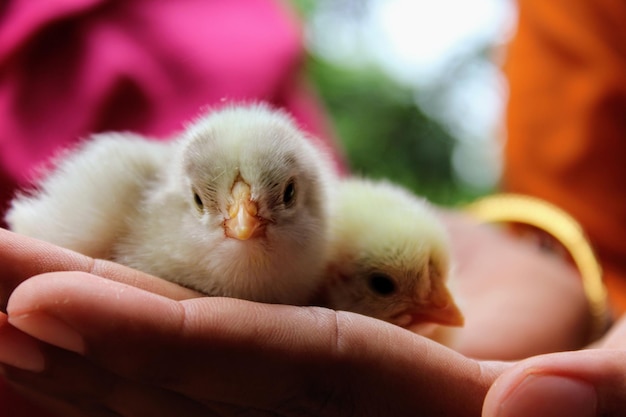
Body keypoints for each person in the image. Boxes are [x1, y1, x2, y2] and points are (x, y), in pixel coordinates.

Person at [0, 0, 625, 417]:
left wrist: (577, 281)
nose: (244, 223)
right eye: (208, 204)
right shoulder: (127, 184)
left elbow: (590, 208)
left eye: (281, 200)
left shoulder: (312, 231)